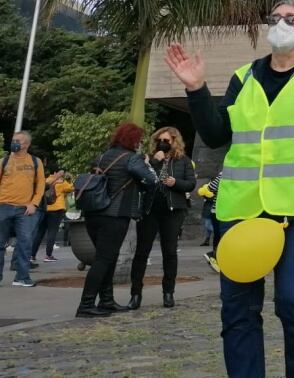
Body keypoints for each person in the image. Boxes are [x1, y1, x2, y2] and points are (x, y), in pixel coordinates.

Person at [165, 0, 294, 378]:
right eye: (275, 17)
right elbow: (216, 135)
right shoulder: (243, 76)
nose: (280, 23)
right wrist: (197, 90)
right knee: (238, 309)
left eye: (291, 19)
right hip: (240, 208)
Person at [76, 122, 158, 317]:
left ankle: (106, 300)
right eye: (138, 139)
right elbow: (151, 180)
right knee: (103, 259)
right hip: (115, 214)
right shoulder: (132, 159)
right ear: (133, 140)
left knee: (107, 258)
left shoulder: (102, 156)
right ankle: (86, 304)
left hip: (93, 213)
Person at [129, 126, 196, 310]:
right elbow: (142, 180)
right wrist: (156, 162)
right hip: (150, 210)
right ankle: (135, 294)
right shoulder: (149, 160)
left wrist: (176, 183)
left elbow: (191, 184)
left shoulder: (183, 161)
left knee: (170, 252)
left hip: (173, 210)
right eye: (160, 140)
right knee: (142, 252)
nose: (163, 144)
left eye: (167, 141)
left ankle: (168, 292)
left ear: (175, 142)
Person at [0, 131, 45, 287]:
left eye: (17, 140)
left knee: (25, 243)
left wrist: (34, 203)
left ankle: (22, 277)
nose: (14, 143)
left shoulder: (35, 161)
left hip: (25, 210)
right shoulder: (4, 161)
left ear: (26, 144)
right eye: (13, 140)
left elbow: (40, 185)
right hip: (3, 207)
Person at [32, 168, 72, 263]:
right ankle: (48, 255)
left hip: (45, 209)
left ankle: (32, 255)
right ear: (56, 173)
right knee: (52, 232)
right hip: (56, 209)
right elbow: (71, 188)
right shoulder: (61, 182)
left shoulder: (46, 180)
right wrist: (65, 179)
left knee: (40, 232)